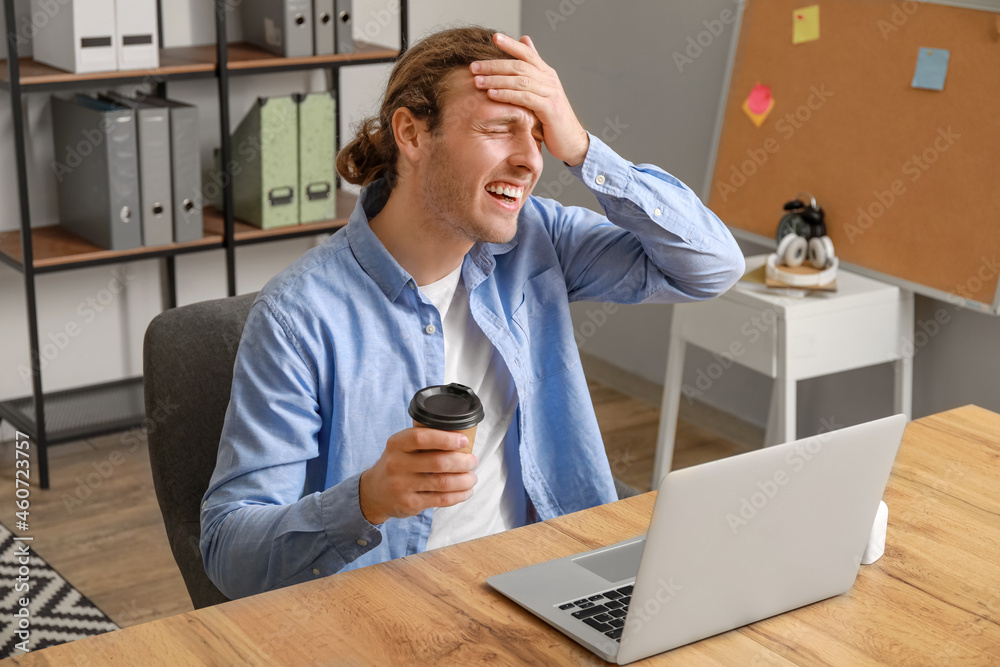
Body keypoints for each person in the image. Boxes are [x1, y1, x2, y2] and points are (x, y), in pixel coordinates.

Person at [201, 26, 744, 600]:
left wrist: (583, 148)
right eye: (497, 129)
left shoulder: (538, 240)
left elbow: (711, 265)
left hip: (546, 578)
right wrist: (368, 498)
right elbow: (229, 553)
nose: (530, 159)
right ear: (411, 133)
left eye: (538, 134)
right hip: (389, 610)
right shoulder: (299, 317)